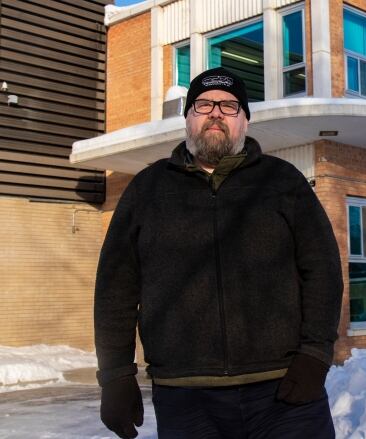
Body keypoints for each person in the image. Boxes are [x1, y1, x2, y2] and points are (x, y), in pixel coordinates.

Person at [94, 67, 343, 439]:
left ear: (245, 121)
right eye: (204, 104)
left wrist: (316, 353)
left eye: (229, 106)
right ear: (188, 119)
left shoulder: (282, 182)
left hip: (285, 392)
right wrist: (115, 374)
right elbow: (116, 288)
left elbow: (322, 271)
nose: (215, 113)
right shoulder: (147, 189)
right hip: (186, 400)